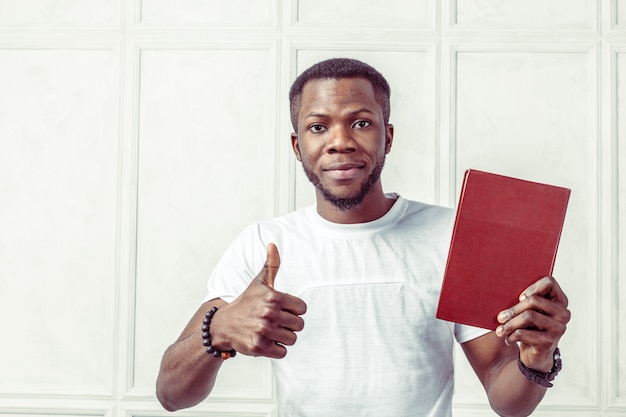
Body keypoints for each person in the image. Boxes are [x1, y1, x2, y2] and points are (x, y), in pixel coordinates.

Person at [156, 58, 571, 417]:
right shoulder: (264, 243)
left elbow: (507, 400)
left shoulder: (453, 235)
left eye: (360, 123)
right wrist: (219, 330)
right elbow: (171, 394)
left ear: (387, 137)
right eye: (319, 127)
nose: (340, 142)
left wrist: (537, 358)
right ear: (297, 147)